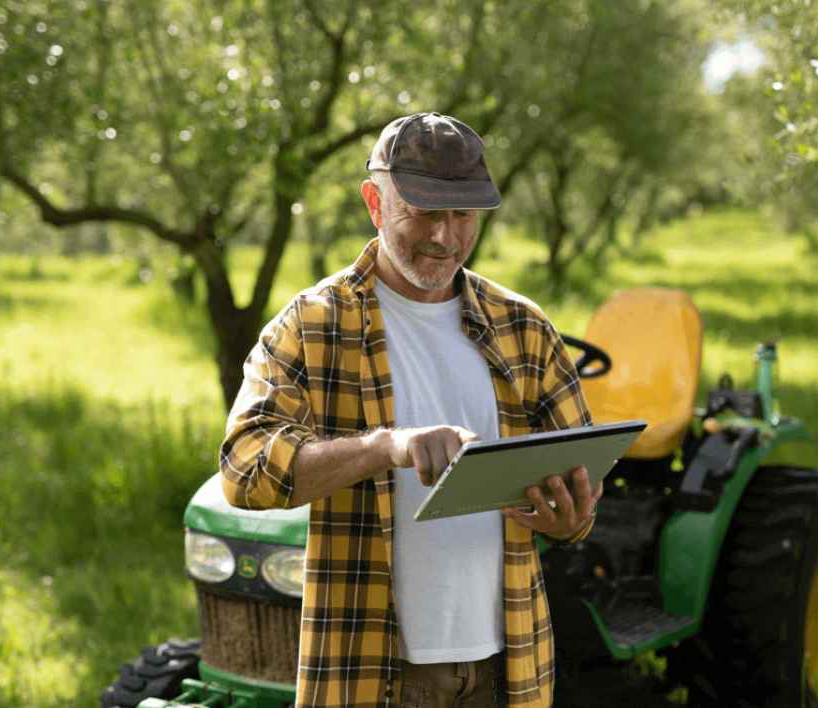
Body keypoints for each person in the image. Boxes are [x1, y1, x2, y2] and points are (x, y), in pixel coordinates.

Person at [220, 112, 601, 708]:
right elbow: (243, 472)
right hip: (374, 671)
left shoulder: (524, 329)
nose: (446, 237)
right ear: (375, 201)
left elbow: (579, 497)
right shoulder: (313, 325)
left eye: (464, 215)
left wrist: (567, 518)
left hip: (511, 668)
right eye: (424, 211)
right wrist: (384, 447)